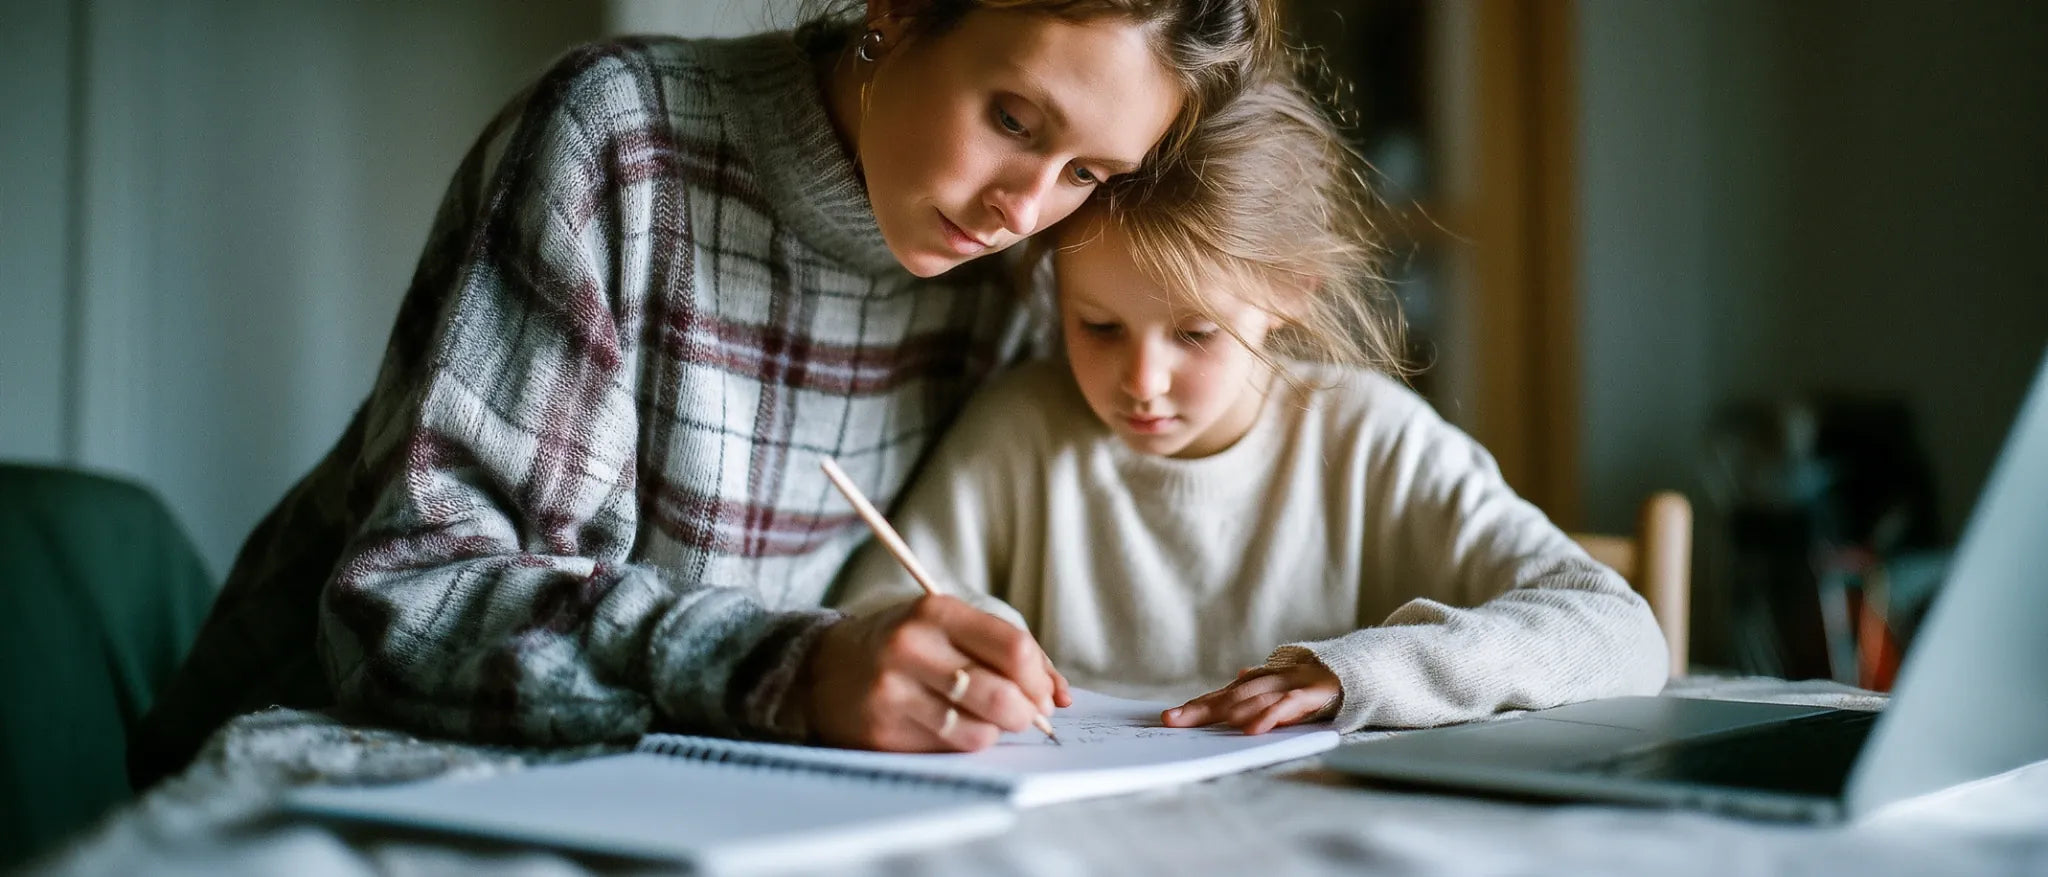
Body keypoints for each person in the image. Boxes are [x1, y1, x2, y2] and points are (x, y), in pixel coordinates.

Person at [130, 0, 1283, 787]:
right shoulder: (619, 137)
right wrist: (789, 669)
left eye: (1085, 171)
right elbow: (408, 607)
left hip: (699, 789)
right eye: (1012, 119)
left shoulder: (1027, 276)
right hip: (334, 769)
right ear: (893, 11)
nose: (1019, 210)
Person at [830, 77, 1669, 736]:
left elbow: (1621, 629)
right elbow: (870, 614)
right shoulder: (1020, 429)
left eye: (1195, 333)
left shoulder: (1370, 439)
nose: (1143, 381)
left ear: (1291, 289)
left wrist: (1361, 673)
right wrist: (975, 639)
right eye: (1098, 326)